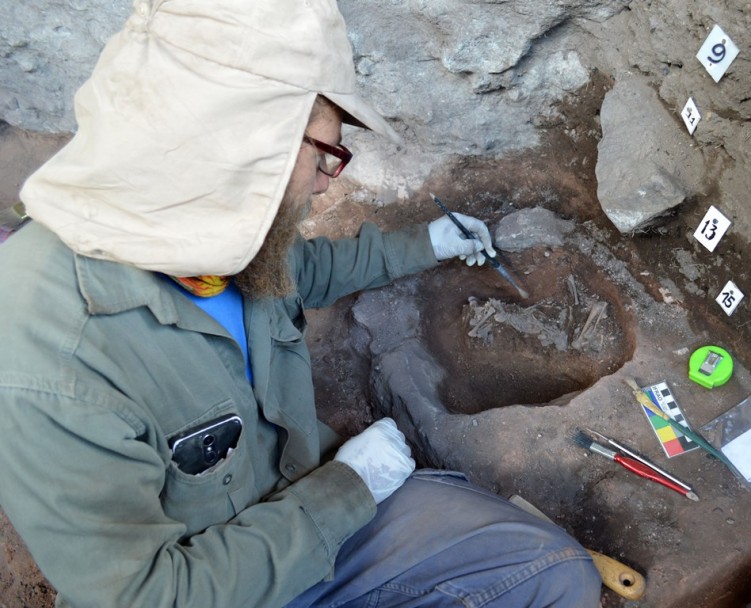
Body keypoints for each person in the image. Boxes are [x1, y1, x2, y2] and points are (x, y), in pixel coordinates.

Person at [0, 1, 602, 607]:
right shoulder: (46, 365)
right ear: (248, 151)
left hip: (299, 498)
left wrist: (429, 242)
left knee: (556, 573)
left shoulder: (203, 237)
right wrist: (347, 487)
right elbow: (149, 596)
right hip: (227, 579)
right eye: (323, 156)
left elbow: (304, 271)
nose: (324, 182)